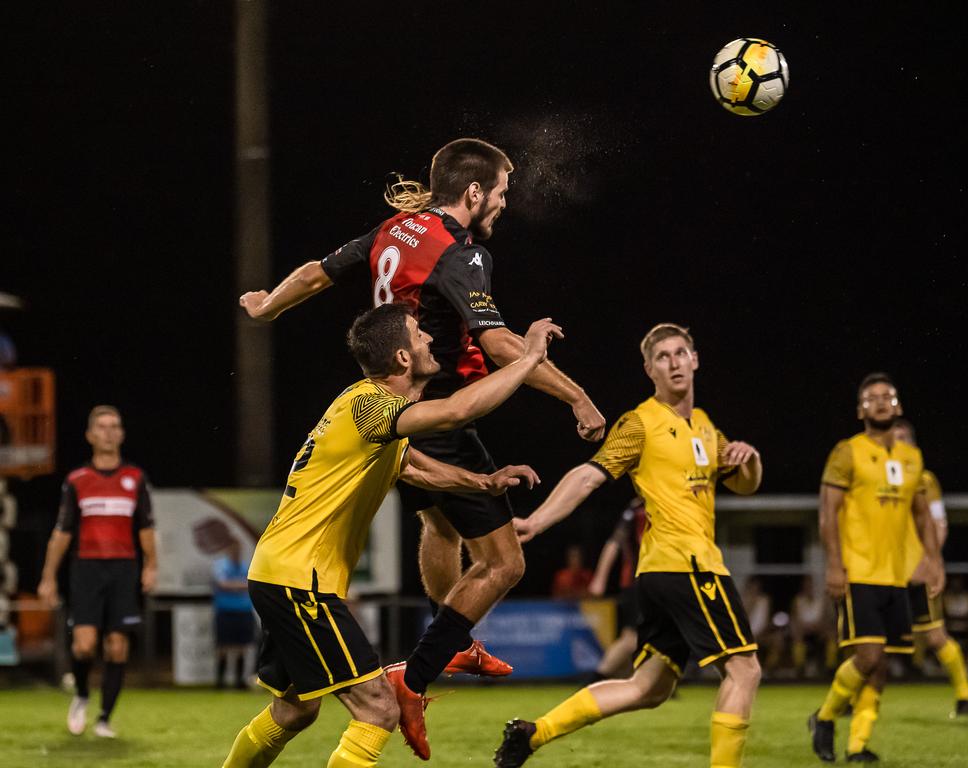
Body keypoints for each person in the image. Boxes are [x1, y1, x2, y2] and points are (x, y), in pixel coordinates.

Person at [238, 137, 606, 692]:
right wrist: (576, 396)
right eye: (501, 193)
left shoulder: (396, 227)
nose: (504, 204)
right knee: (505, 565)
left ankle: (451, 645)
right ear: (474, 191)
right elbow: (501, 343)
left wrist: (268, 306)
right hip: (437, 413)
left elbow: (318, 271)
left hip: (388, 404)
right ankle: (423, 671)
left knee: (437, 524)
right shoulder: (462, 252)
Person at [220, 304, 558, 767]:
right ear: (402, 358)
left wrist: (483, 482)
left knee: (295, 709)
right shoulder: (371, 408)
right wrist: (528, 358)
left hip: (280, 574)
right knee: (378, 707)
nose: (429, 342)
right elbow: (458, 409)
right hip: (300, 581)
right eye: (420, 336)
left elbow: (416, 467)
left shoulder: (364, 406)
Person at [495, 323, 764, 768]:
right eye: (664, 357)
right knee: (745, 669)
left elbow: (746, 485)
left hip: (663, 571)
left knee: (648, 688)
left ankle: (532, 733)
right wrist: (538, 521)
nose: (675, 362)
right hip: (687, 565)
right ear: (648, 369)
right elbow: (588, 475)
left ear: (695, 360)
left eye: (681, 354)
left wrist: (748, 458)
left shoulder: (704, 426)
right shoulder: (641, 424)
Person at [809, 373, 944, 763]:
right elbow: (827, 513)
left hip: (896, 576)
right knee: (868, 657)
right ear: (860, 410)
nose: (881, 402)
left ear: (898, 406)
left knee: (882, 666)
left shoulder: (912, 458)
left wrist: (933, 561)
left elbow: (923, 516)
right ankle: (825, 716)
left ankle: (857, 746)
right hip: (859, 572)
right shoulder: (847, 452)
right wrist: (834, 564)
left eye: (888, 396)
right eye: (872, 398)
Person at [37, 405, 157, 738]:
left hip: (124, 569)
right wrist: (48, 577)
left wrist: (151, 565)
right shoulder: (77, 480)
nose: (108, 431)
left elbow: (146, 527)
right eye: (101, 427)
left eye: (114, 426)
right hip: (86, 568)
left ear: (121, 433)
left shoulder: (135, 478)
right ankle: (81, 694)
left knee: (117, 646)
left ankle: (104, 718)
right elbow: (62, 533)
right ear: (90, 435)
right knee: (85, 646)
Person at [890, 418, 968, 714]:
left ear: (913, 443)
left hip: (916, 571)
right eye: (894, 437)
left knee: (934, 634)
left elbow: (939, 522)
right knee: (866, 637)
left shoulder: (925, 480)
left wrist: (931, 561)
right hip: (883, 571)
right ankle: (852, 701)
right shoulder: (881, 478)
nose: (898, 442)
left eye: (903, 437)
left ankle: (966, 696)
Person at [583, 497, 646, 684]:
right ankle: (593, 681)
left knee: (652, 636)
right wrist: (600, 578)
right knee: (631, 638)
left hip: (655, 582)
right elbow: (614, 543)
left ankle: (657, 682)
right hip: (638, 583)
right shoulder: (638, 509)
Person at [212, 535, 256, 690]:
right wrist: (241, 585)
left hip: (243, 611)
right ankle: (220, 681)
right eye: (233, 549)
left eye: (238, 549)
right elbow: (223, 583)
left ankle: (239, 681)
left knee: (242, 647)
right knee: (223, 646)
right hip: (225, 611)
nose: (236, 552)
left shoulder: (245, 566)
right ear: (228, 550)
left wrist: (236, 585)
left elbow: (251, 584)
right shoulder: (221, 565)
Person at [790, 575, 835, 677]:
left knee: (832, 635)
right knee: (798, 635)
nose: (809, 587)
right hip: (804, 631)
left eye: (810, 585)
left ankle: (830, 667)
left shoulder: (822, 600)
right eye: (806, 585)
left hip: (820, 630)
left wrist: (818, 626)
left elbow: (826, 618)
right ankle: (800, 668)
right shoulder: (798, 601)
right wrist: (805, 627)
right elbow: (795, 619)